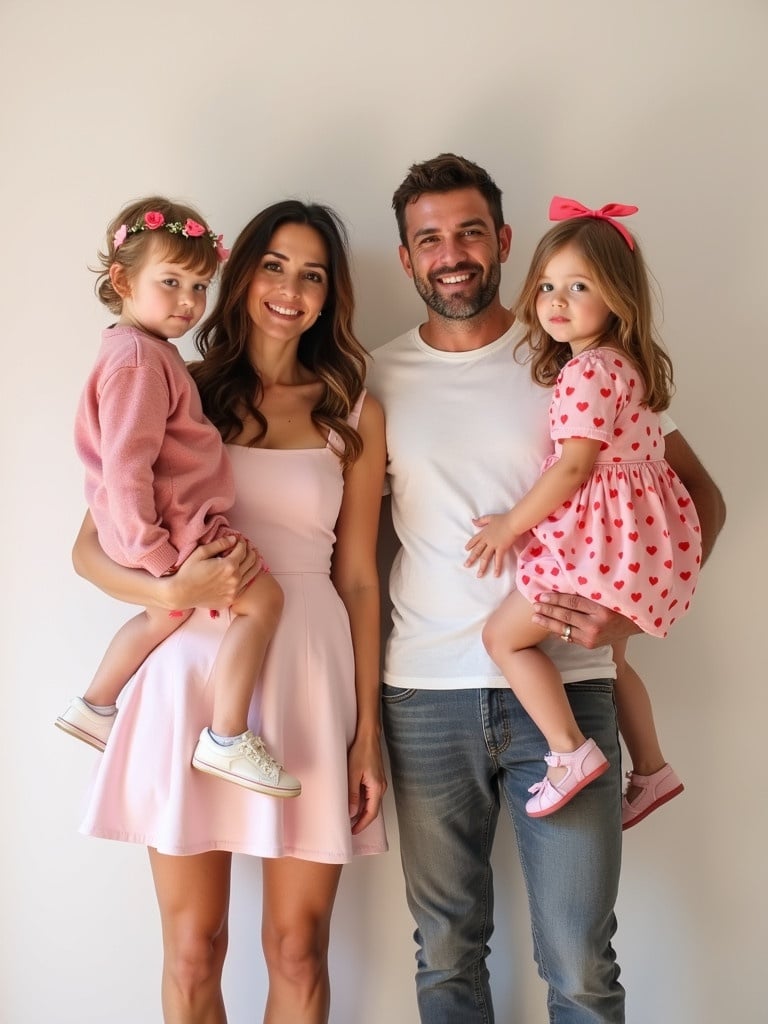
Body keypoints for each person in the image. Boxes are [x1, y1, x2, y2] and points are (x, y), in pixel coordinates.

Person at [367, 154, 725, 1023]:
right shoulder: (373, 377)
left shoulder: (577, 360)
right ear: (408, 257)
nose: (451, 253)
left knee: (580, 960)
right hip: (425, 695)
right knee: (446, 950)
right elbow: (351, 551)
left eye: (469, 232)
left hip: (567, 684)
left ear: (504, 243)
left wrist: (624, 610)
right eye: (429, 239)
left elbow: (696, 498)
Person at [73, 199, 388, 1023]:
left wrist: (368, 735)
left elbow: (359, 578)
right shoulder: (179, 389)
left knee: (297, 947)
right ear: (241, 277)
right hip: (189, 678)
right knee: (192, 947)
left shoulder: (353, 410)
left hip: (311, 673)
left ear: (329, 296)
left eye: (312, 274)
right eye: (275, 266)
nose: (291, 288)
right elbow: (89, 549)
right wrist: (172, 593)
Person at [464, 196, 700, 823]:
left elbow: (574, 467)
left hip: (591, 549)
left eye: (578, 286)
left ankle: (569, 751)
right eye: (545, 286)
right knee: (614, 659)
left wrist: (511, 525)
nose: (555, 301)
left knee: (503, 639)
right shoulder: (630, 368)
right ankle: (650, 769)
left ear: (617, 297)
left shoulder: (587, 372)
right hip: (638, 548)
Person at [56, 196, 297, 797]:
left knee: (163, 614)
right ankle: (226, 736)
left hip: (160, 523)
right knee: (263, 601)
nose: (188, 303)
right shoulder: (139, 359)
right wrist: (162, 558)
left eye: (199, 286)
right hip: (174, 525)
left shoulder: (142, 352)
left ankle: (95, 704)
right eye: (171, 283)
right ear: (122, 280)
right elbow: (127, 468)